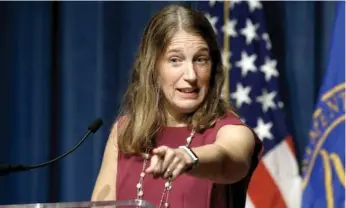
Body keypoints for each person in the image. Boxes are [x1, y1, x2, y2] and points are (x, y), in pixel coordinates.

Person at [91, 4, 263, 208]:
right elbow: (101, 205)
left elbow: (228, 160)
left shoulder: (231, 130)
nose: (191, 75)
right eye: (175, 60)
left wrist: (188, 156)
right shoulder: (125, 131)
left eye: (201, 60)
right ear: (152, 68)